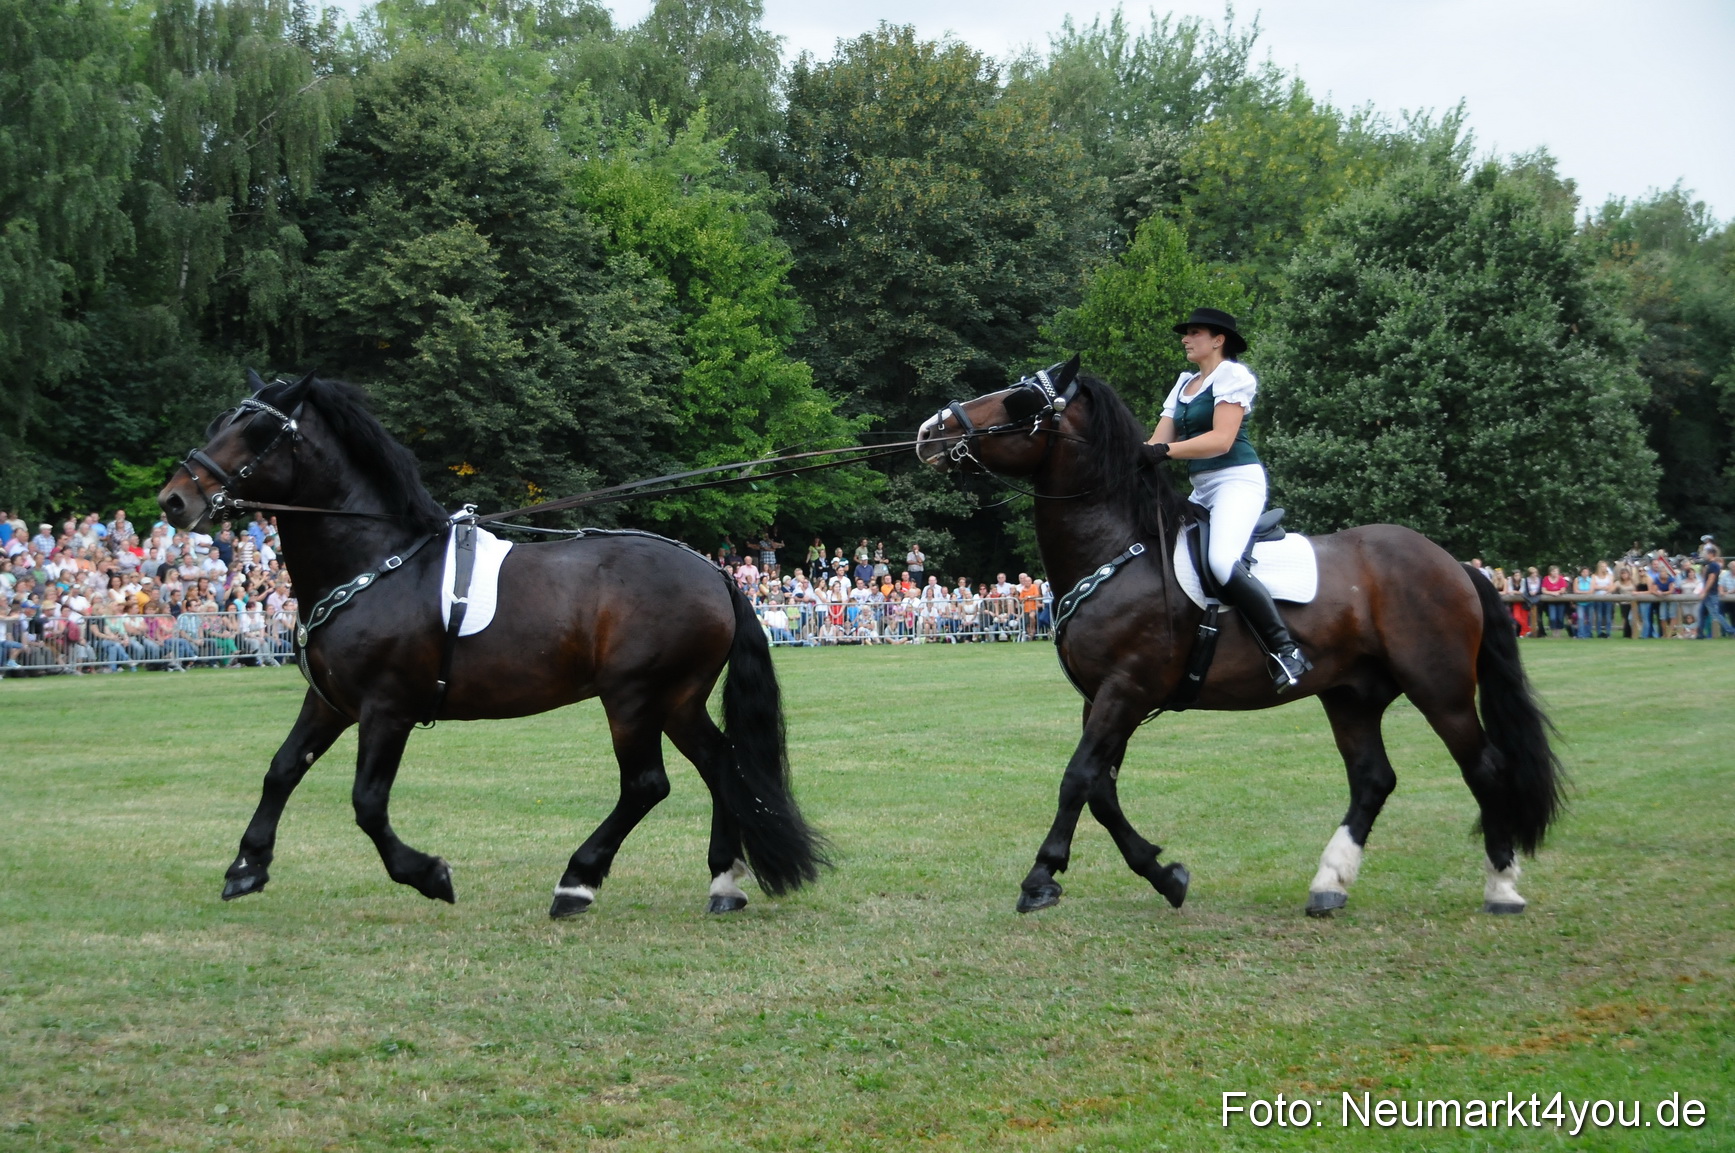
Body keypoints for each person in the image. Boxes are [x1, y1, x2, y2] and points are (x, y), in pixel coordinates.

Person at [1146, 307, 1309, 689]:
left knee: (1220, 561)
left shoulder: (1233, 375)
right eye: (1185, 333)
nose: (1186, 339)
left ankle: (1287, 651)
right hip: (1201, 488)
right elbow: (1157, 440)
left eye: (1195, 332)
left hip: (1237, 481)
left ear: (1218, 340)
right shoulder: (1184, 383)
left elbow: (1221, 441)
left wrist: (1164, 452)